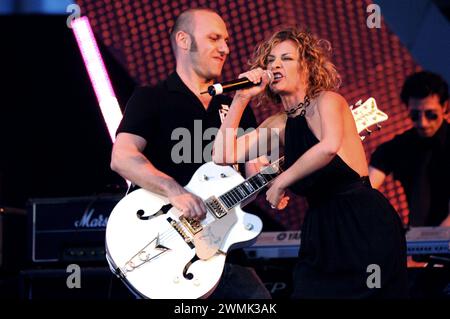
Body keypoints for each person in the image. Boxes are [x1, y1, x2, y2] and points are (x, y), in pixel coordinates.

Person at [213, 27, 408, 298]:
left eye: (286, 58)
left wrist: (282, 180)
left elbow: (327, 147)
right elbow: (222, 155)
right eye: (270, 60)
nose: (275, 65)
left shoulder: (328, 101)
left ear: (306, 66)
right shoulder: (279, 124)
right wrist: (241, 98)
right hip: (321, 227)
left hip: (362, 221)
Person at [111, 8, 270, 299]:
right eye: (214, 38)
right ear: (184, 41)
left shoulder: (235, 108)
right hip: (162, 244)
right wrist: (175, 191)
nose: (225, 48)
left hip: (221, 250)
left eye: (226, 40)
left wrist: (279, 177)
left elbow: (254, 179)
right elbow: (121, 157)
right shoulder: (152, 97)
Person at [369, 71, 449, 227]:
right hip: (420, 241)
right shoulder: (399, 146)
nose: (423, 123)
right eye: (415, 115)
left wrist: (437, 239)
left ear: (444, 106)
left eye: (431, 114)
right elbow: (369, 184)